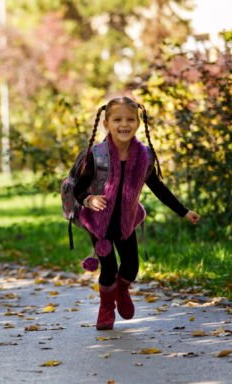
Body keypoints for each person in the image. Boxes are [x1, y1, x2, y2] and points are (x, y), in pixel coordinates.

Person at [74, 97, 201, 330]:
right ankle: (106, 309)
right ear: (106, 124)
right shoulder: (98, 154)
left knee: (131, 268)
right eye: (117, 119)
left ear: (138, 123)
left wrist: (183, 211)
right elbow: (79, 187)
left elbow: (158, 187)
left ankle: (121, 292)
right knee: (109, 269)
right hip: (99, 223)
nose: (124, 124)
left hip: (126, 222)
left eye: (130, 119)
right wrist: (89, 199)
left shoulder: (144, 156)